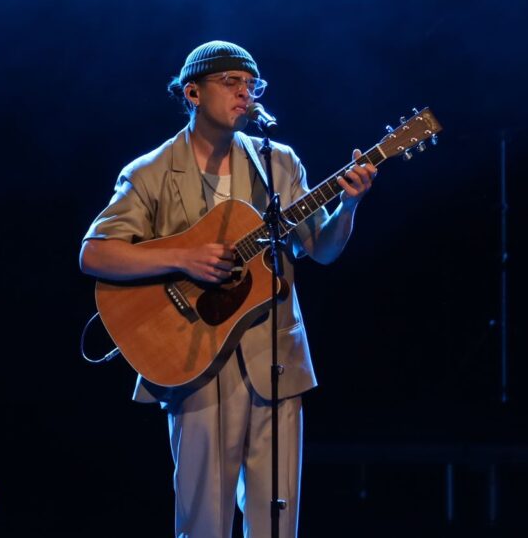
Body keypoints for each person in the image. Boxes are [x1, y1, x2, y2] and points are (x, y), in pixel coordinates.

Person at [79, 40, 376, 537]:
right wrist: (182, 256)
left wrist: (347, 208)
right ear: (193, 92)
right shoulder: (151, 171)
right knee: (204, 521)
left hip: (275, 356)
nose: (246, 94)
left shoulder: (277, 163)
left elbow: (320, 249)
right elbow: (95, 252)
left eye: (252, 85)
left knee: (278, 521)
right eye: (231, 83)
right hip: (193, 354)